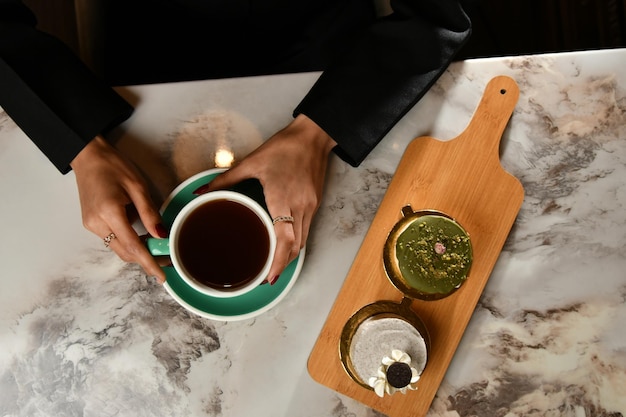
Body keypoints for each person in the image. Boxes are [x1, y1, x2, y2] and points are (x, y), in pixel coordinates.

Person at [0, 0, 472, 285]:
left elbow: (441, 13)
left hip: (332, 54)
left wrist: (317, 134)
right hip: (145, 48)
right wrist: (80, 144)